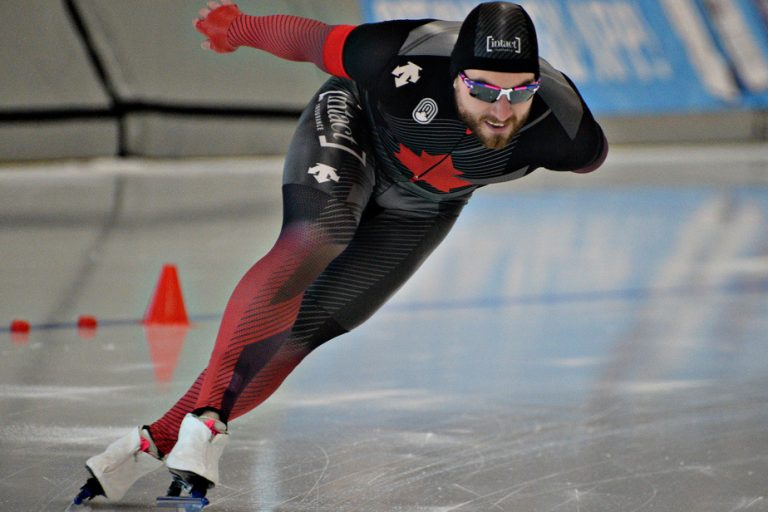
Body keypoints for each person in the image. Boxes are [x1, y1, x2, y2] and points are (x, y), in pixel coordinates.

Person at [74, 0, 608, 506]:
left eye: (519, 92)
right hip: (353, 125)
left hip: (423, 207)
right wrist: (235, 28)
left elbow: (589, 156)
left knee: (303, 331)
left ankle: (149, 444)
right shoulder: (402, 55)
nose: (501, 109)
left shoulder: (565, 131)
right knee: (318, 234)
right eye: (483, 89)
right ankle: (207, 420)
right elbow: (308, 40)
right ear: (453, 77)